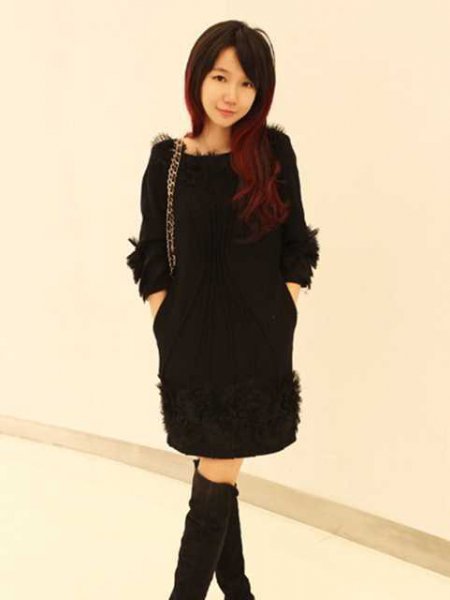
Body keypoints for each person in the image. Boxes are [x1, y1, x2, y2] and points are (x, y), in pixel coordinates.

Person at [126, 19, 320, 600]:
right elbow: (151, 253)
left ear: (261, 91)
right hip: (189, 341)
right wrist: (165, 317)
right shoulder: (168, 162)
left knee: (216, 471)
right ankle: (238, 590)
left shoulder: (273, 153)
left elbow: (296, 245)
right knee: (215, 468)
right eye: (220, 77)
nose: (232, 94)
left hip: (257, 341)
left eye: (246, 83)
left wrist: (283, 306)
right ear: (198, 78)